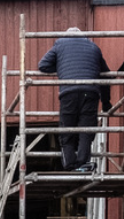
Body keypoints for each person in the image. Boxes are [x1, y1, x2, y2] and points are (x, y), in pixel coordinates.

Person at [38, 27, 111, 172]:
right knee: (86, 129)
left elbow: (43, 66)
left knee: (67, 130)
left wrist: (62, 68)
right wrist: (106, 102)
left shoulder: (60, 44)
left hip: (69, 93)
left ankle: (70, 165)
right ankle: (83, 163)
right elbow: (106, 75)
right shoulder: (94, 47)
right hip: (90, 93)